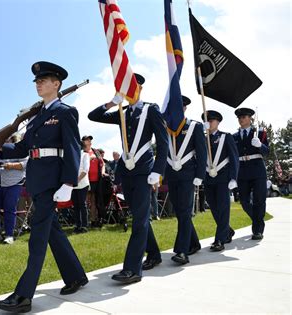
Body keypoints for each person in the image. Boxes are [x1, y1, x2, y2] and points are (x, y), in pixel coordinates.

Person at [0, 61, 88, 313]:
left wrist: (68, 182)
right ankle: (75, 276)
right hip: (37, 178)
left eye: (44, 80)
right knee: (51, 229)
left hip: (53, 180)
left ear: (57, 84)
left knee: (38, 237)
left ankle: (23, 295)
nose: (38, 84)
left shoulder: (65, 112)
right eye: (37, 81)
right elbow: (22, 148)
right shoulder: (36, 116)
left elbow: (73, 147)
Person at [88, 73, 167, 282]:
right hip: (128, 173)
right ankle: (155, 254)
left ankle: (132, 269)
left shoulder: (151, 109)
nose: (129, 91)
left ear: (140, 88)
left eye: (132, 87)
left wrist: (157, 171)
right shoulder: (123, 112)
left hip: (144, 172)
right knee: (139, 216)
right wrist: (112, 102)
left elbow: (163, 141)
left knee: (139, 220)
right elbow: (93, 116)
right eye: (125, 88)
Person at [164, 96, 206, 265]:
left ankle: (182, 251)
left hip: (189, 174)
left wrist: (200, 175)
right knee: (180, 211)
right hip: (172, 175)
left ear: (184, 108)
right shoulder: (165, 127)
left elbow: (202, 153)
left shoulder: (194, 126)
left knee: (185, 210)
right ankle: (194, 243)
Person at [202, 110, 238, 251]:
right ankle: (227, 231)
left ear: (218, 122)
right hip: (208, 178)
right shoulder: (202, 138)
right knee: (214, 208)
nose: (209, 123)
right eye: (207, 121)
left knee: (223, 209)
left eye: (212, 120)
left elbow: (234, 158)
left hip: (223, 178)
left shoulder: (225, 137)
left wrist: (233, 178)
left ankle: (220, 240)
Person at [232, 107, 269, 240]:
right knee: (244, 201)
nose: (241, 119)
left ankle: (257, 230)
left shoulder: (259, 133)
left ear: (250, 118)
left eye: (244, 117)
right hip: (242, 171)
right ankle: (258, 220)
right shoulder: (234, 136)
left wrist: (260, 145)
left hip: (257, 169)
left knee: (259, 200)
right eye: (239, 118)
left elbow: (267, 152)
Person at [0, 134, 28, 244]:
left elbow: (25, 164)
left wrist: (10, 165)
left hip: (13, 183)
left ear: (11, 138)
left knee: (9, 208)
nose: (4, 139)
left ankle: (9, 235)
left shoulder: (19, 149)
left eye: (6, 138)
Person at [82, 135, 106, 228]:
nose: (90, 141)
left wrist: (103, 172)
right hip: (85, 180)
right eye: (87, 140)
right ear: (83, 142)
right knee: (86, 201)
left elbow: (102, 163)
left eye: (90, 140)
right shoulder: (81, 152)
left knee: (95, 201)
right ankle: (84, 221)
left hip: (97, 180)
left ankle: (94, 220)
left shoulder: (96, 151)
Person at [72, 140, 90, 233]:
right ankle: (77, 225)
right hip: (73, 185)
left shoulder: (85, 155)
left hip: (82, 184)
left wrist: (77, 180)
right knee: (76, 206)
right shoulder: (72, 155)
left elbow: (85, 170)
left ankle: (84, 226)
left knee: (82, 205)